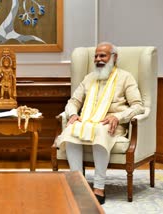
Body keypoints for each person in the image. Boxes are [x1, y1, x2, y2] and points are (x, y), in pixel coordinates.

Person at [58, 42, 145, 204]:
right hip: (87, 121)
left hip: (111, 125)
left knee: (100, 131)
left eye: (102, 55)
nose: (98, 59)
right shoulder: (89, 78)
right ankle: (78, 184)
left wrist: (118, 117)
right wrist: (72, 114)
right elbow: (74, 101)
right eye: (96, 56)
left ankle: (99, 187)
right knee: (71, 131)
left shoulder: (125, 77)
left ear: (114, 57)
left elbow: (138, 106)